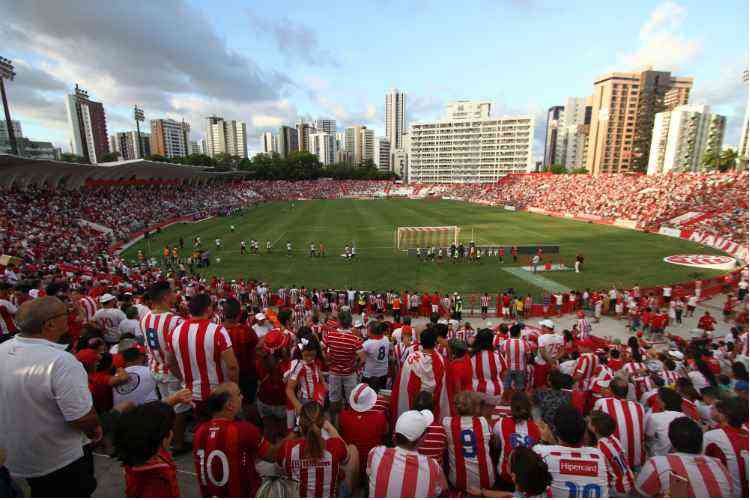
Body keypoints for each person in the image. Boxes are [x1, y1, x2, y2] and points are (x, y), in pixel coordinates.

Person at [0, 297, 101, 497]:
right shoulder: (61, 362)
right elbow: (81, 418)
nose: (70, 317)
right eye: (65, 314)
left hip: (13, 457)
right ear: (50, 324)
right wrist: (95, 429)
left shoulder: (2, 349)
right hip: (58, 462)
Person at [192, 383, 275, 497]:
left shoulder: (199, 432)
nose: (242, 397)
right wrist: (295, 432)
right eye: (239, 394)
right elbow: (273, 456)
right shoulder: (244, 429)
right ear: (229, 405)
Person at [140, 281, 190, 453]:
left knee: (166, 404)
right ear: (165, 296)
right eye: (173, 292)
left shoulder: (146, 318)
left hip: (156, 368)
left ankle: (167, 438)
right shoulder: (175, 321)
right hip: (173, 372)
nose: (176, 294)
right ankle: (177, 443)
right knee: (179, 407)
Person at [166, 294, 239, 411]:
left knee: (201, 425)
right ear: (208, 309)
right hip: (217, 394)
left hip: (190, 394)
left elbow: (169, 363)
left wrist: (184, 380)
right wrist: (234, 389)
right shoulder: (218, 331)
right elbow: (232, 366)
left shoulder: (175, 332)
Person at [636, 417, 736, 497]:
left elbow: (636, 496)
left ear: (672, 442)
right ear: (701, 442)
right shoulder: (719, 465)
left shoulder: (657, 464)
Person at [278, 401, 358, 497]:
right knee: (353, 450)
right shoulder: (335, 446)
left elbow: (279, 464)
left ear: (301, 425)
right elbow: (347, 457)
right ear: (322, 422)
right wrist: (331, 429)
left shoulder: (288, 449)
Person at [366, 409, 448, 497]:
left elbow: (369, 477)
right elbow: (443, 491)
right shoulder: (433, 467)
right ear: (422, 439)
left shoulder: (375, 453)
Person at [533, 404, 610, 497]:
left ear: (556, 431)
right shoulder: (599, 455)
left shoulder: (541, 451)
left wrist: (544, 440)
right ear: (584, 432)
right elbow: (568, 452)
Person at [113, 401, 180, 498]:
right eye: (170, 429)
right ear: (161, 438)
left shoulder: (135, 452)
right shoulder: (157, 481)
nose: (171, 433)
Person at [391, 326, 449, 423]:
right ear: (435, 343)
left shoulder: (411, 358)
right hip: (432, 402)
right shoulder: (441, 360)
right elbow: (442, 385)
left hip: (414, 401)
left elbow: (403, 383)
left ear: (421, 342)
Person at [443, 391, 495, 494]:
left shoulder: (447, 422)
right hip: (486, 480)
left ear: (456, 407)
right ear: (475, 407)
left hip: (459, 482)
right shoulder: (483, 422)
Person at [593, 377, 646, 469]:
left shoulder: (602, 403)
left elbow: (593, 424)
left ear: (610, 390)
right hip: (636, 461)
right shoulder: (639, 407)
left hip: (614, 460)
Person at [339, 383, 389, 479]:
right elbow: (385, 433)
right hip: (372, 464)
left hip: (351, 465)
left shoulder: (343, 415)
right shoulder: (380, 417)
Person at [702, 397, 749, 497]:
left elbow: (699, 463)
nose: (710, 409)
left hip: (729, 494)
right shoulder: (746, 433)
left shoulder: (712, 436)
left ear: (723, 415)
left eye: (714, 408)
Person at [324, 309, 363, 423]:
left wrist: (328, 361)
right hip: (349, 373)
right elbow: (362, 359)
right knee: (351, 399)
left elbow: (321, 347)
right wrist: (354, 368)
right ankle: (349, 422)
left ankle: (333, 422)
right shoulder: (355, 339)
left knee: (334, 399)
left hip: (334, 372)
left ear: (339, 322)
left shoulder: (330, 335)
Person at [492, 392, 541, 482]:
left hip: (505, 476)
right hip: (527, 479)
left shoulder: (502, 423)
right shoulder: (536, 428)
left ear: (511, 407)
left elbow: (495, 445)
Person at [588, 410, 636, 497]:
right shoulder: (613, 438)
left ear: (594, 428)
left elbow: (604, 474)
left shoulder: (600, 449)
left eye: (589, 422)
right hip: (630, 480)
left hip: (619, 489)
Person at [222, 299, 258, 409]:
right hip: (246, 376)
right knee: (248, 406)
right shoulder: (247, 331)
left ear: (223, 313)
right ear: (239, 314)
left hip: (225, 377)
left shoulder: (217, 330)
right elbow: (257, 352)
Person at [285, 336, 327, 430]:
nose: (309, 358)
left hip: (317, 398)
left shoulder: (316, 361)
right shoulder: (299, 365)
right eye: (306, 355)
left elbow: (318, 371)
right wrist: (298, 406)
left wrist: (323, 383)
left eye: (312, 355)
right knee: (306, 429)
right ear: (301, 353)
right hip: (305, 402)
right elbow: (289, 389)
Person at [113, 339, 158, 407]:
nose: (145, 357)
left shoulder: (116, 376)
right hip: (148, 411)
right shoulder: (149, 371)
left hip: (121, 415)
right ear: (140, 358)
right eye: (143, 356)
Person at [468, 328, 507, 404]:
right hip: (495, 392)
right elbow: (504, 374)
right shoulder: (498, 355)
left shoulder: (471, 355)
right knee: (488, 413)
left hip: (475, 390)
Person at [645, 387, 686, 457]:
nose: (656, 399)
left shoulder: (654, 417)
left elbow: (648, 435)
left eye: (658, 398)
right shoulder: (683, 415)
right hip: (679, 454)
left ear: (664, 403)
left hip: (659, 455)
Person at [359, 321, 392, 392]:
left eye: (368, 330)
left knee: (367, 394)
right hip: (383, 373)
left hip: (370, 375)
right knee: (381, 393)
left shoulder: (367, 344)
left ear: (372, 332)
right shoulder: (386, 339)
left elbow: (361, 359)